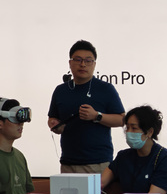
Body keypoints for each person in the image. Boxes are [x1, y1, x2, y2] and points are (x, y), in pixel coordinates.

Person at [48, 40, 125, 173]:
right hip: (68, 162)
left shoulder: (106, 89)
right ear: (70, 63)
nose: (83, 64)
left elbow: (121, 119)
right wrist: (55, 124)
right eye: (78, 60)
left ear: (94, 64)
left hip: (98, 163)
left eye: (88, 60)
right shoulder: (60, 90)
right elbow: (52, 117)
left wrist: (97, 116)